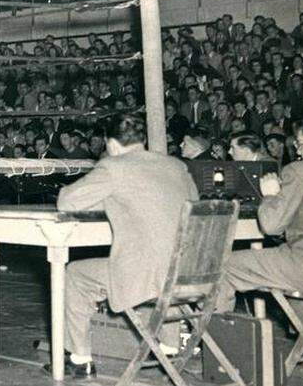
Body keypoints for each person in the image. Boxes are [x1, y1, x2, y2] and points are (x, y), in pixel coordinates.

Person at [52, 114, 197, 377]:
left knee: (75, 274)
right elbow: (191, 210)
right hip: (190, 274)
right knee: (164, 256)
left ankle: (79, 357)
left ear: (111, 144)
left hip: (148, 278)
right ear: (142, 140)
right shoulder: (177, 166)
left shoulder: (113, 167)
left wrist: (105, 169)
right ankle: (171, 345)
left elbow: (66, 201)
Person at [216, 122, 303, 313]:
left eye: (300, 144)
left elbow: (271, 226)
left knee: (224, 265)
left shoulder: (300, 170)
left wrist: (270, 195)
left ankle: (219, 337)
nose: (296, 149)